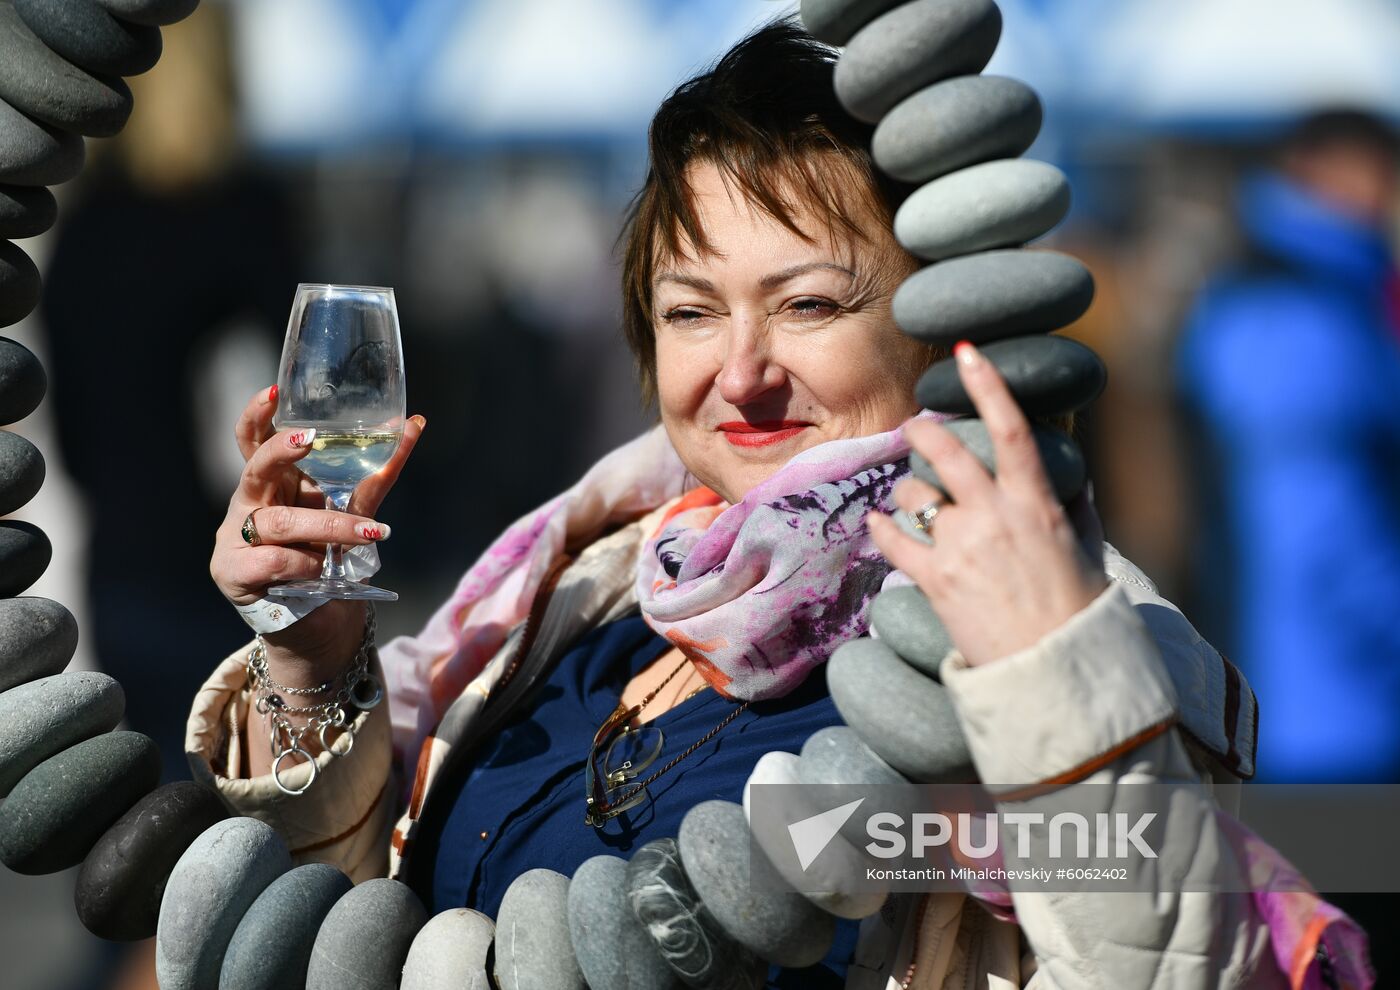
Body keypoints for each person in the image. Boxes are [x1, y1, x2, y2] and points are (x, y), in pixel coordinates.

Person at [191, 21, 1367, 988]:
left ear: (934, 331)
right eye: (693, 311)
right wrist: (312, 657)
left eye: (805, 305)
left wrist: (1049, 676)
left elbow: (1165, 968)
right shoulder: (571, 592)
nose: (739, 372)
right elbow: (350, 940)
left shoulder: (1028, 635)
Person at [1178, 110, 1400, 784]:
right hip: (1321, 697)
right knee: (1342, 879)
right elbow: (1317, 524)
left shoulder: (1308, 288)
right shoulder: (1290, 308)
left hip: (1311, 683)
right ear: (1321, 172)